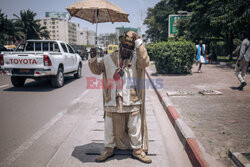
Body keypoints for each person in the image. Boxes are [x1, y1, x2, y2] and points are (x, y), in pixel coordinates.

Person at [88, 31, 151, 163]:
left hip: (132, 100)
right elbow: (96, 70)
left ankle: (137, 150)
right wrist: (93, 58)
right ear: (120, 45)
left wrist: (139, 42)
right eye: (125, 47)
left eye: (130, 48)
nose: (127, 50)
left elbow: (145, 62)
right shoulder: (107, 58)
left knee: (134, 127)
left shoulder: (136, 59)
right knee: (109, 127)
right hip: (112, 100)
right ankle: (108, 149)